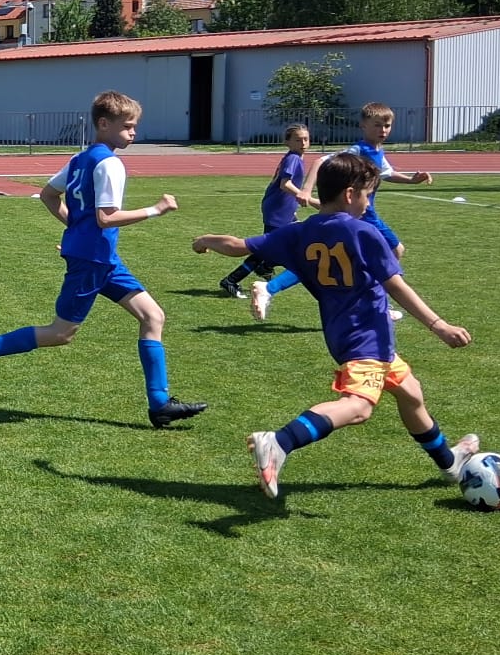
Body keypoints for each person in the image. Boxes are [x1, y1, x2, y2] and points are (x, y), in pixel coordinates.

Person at [194, 150, 479, 500]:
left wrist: (206, 240)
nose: (368, 202)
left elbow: (240, 246)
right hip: (366, 336)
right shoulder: (363, 232)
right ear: (349, 194)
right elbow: (395, 286)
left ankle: (450, 463)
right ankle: (279, 442)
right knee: (358, 407)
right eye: (367, 195)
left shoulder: (299, 232)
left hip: (343, 333)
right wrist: (439, 326)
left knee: (411, 394)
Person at [0, 90, 207, 427]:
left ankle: (159, 404)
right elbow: (106, 218)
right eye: (127, 126)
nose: (133, 133)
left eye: (134, 126)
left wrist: (77, 231)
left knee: (153, 316)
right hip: (92, 260)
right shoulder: (110, 164)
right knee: (61, 333)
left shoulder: (79, 159)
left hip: (102, 258)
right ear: (104, 124)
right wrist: (155, 210)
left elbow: (48, 194)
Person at [254, 102, 431, 322]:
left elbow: (387, 173)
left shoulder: (377, 151)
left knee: (340, 259)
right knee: (389, 252)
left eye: (386, 126)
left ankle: (270, 288)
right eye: (377, 125)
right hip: (358, 215)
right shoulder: (358, 151)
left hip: (365, 214)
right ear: (363, 126)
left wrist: (412, 180)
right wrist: (306, 190)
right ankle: (377, 304)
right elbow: (320, 161)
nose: (383, 130)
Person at [219, 123, 318, 298]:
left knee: (290, 243)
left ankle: (266, 266)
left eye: (306, 139)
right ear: (287, 142)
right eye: (298, 140)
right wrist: (304, 197)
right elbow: (284, 184)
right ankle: (231, 280)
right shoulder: (294, 159)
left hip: (281, 209)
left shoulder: (295, 157)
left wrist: (293, 208)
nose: (303, 143)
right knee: (267, 248)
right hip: (277, 210)